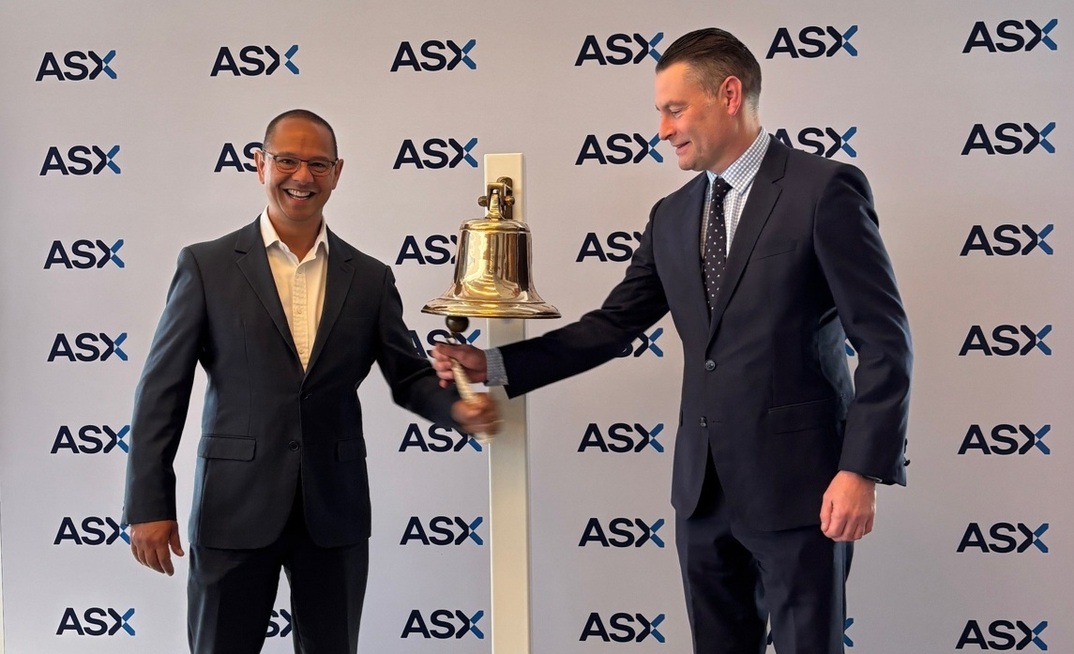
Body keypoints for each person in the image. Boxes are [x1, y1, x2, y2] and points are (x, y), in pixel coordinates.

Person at [433, 28, 911, 654]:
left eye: (674, 108)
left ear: (730, 94)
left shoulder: (824, 190)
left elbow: (884, 343)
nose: (661, 129)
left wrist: (859, 470)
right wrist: (492, 363)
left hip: (803, 490)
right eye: (660, 111)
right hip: (703, 493)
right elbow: (612, 326)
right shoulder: (672, 216)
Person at [122, 108, 499, 654]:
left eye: (318, 164)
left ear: (337, 172)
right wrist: (148, 504)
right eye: (288, 161)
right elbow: (161, 393)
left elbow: (409, 375)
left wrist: (458, 411)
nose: (303, 176)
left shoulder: (369, 277)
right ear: (260, 164)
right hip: (234, 509)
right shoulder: (206, 266)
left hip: (334, 510)